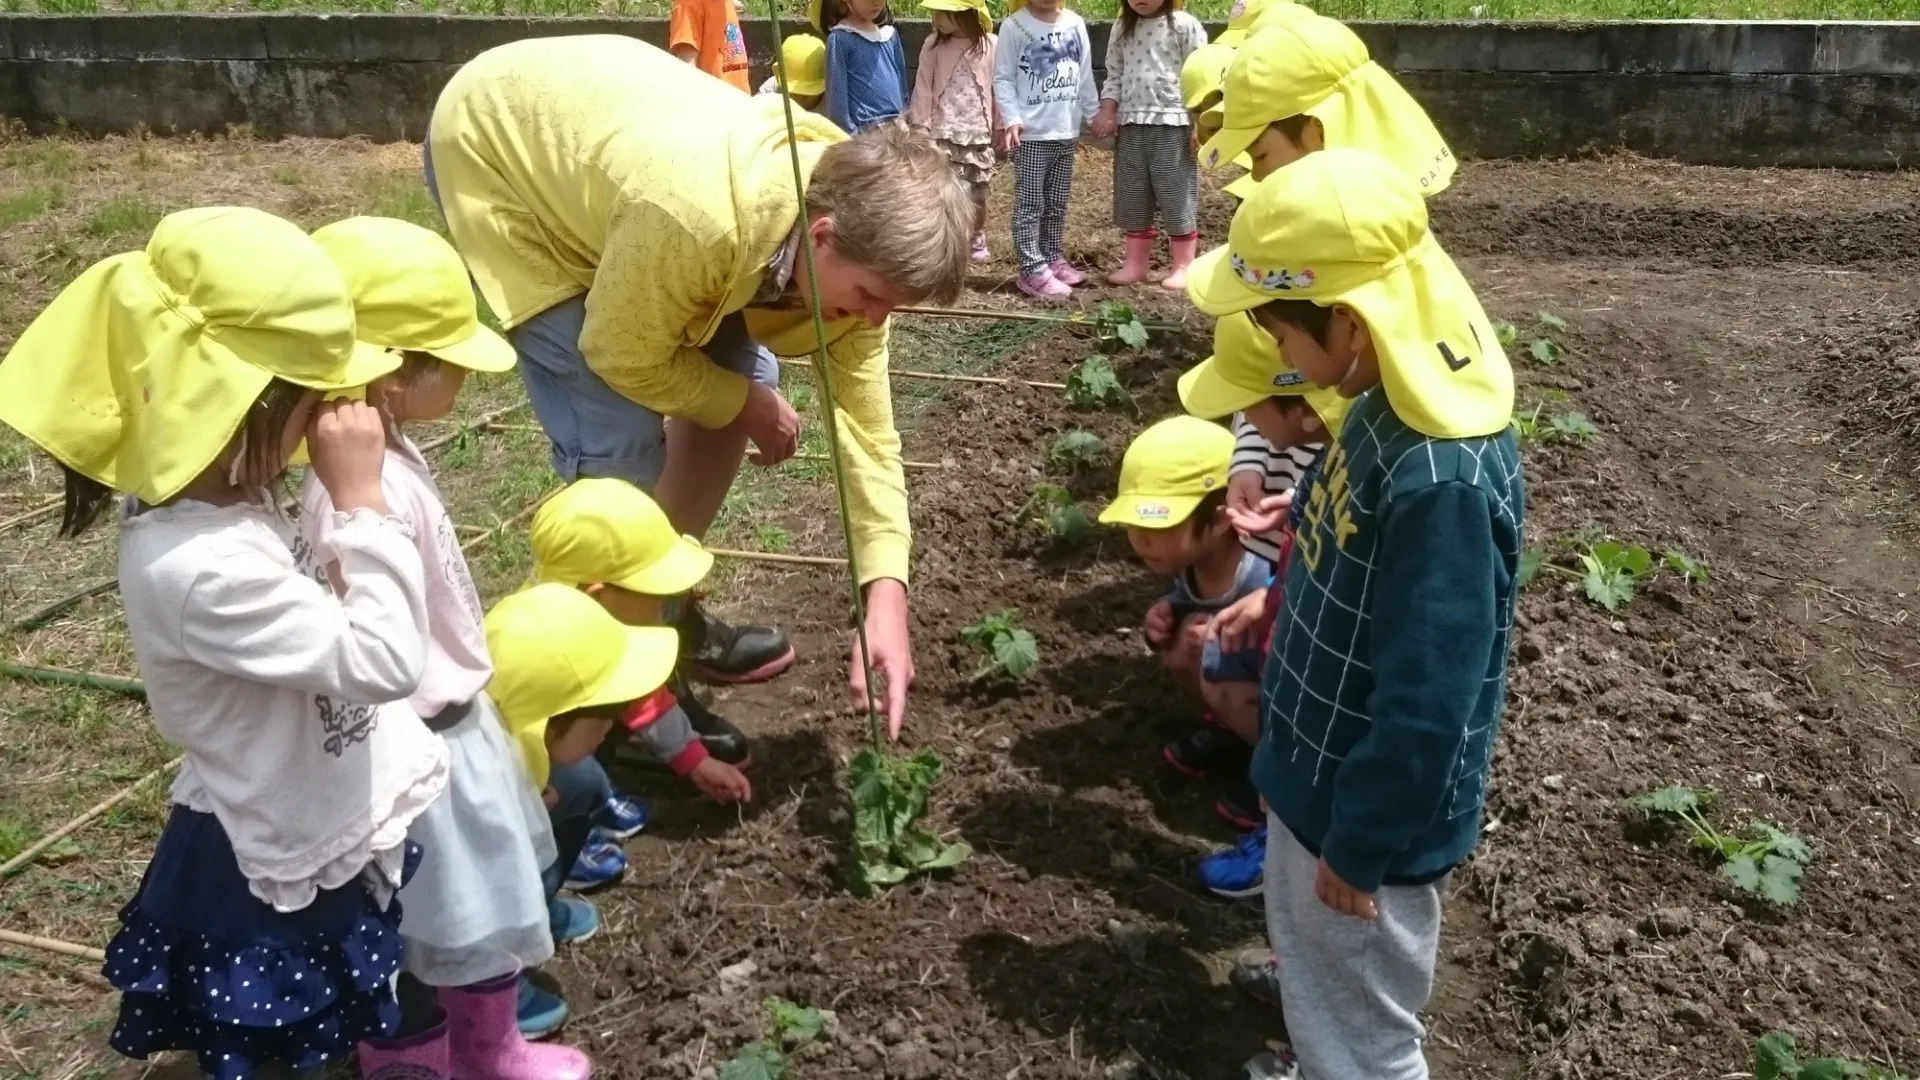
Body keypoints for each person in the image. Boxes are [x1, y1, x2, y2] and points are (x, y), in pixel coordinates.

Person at [0, 207, 449, 1079]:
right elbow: (387, 661)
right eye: (316, 395)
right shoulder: (199, 565)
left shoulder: (226, 499)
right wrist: (360, 502)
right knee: (284, 1040)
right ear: (244, 401)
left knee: (323, 1024)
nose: (334, 415)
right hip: (264, 860)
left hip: (304, 794)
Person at [428, 35, 976, 740]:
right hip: (504, 150)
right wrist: (746, 405)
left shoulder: (856, 241)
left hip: (625, 169)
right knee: (618, 439)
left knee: (744, 377)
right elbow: (620, 352)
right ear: (823, 234)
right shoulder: (698, 218)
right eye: (871, 296)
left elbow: (868, 435)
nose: (874, 320)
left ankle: (657, 612)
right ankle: (599, 694)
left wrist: (886, 598)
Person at [1188, 148, 1522, 1080]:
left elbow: (1429, 700)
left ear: (1349, 321)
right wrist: (1276, 600)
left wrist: (1363, 843)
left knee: (1369, 1041)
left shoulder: (1442, 482)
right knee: (1322, 965)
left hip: (1362, 817)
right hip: (1316, 776)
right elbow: (1339, 544)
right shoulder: (1380, 396)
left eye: (1276, 331)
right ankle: (1312, 1015)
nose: (1279, 358)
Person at [292, 216, 589, 1069]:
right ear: (389, 371)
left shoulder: (387, 455)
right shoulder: (355, 493)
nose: (462, 369)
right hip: (420, 735)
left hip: (449, 717)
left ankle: (456, 1047)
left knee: (456, 904)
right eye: (448, 353)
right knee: (446, 912)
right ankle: (454, 1054)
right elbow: (364, 639)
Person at [523, 479, 756, 929]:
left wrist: (693, 760)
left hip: (565, 748)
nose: (661, 608)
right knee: (571, 775)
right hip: (529, 772)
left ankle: (588, 796)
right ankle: (557, 845)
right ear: (597, 594)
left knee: (592, 747)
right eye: (654, 597)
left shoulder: (601, 623)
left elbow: (643, 697)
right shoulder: (544, 655)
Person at [1097, 416, 1272, 816]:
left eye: (1155, 525)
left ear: (1219, 520)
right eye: (1133, 524)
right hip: (1235, 675)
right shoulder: (1195, 564)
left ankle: (1274, 771)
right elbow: (1191, 600)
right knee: (1180, 648)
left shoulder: (1260, 569)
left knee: (1218, 675)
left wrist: (1223, 637)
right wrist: (1170, 612)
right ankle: (1232, 734)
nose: (1139, 539)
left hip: (1279, 693)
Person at [1198, 13, 1455, 191]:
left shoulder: (1346, 232)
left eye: (1261, 155)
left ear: (1318, 129)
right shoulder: (1383, 199)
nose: (1255, 175)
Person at [1089, 0, 1206, 290]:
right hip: (1131, 124)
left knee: (1175, 193)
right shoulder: (1122, 27)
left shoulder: (1183, 25)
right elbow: (1113, 73)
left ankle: (1183, 265)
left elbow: (1202, 76)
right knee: (1133, 194)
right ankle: (1135, 264)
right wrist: (1108, 109)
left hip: (1173, 123)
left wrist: (1201, 121)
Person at [992, 0, 1098, 300]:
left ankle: (1052, 256)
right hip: (1032, 134)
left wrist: (1094, 114)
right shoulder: (1015, 27)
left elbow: (1084, 74)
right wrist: (1011, 118)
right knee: (1030, 204)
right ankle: (1031, 269)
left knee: (1056, 202)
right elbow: (1003, 78)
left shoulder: (1075, 24)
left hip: (1065, 129)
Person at [910, 0, 999, 263]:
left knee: (978, 192)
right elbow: (923, 88)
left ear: (964, 13)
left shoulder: (991, 45)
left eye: (942, 12)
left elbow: (1000, 85)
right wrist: (920, 126)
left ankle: (976, 234)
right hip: (944, 132)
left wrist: (1002, 124)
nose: (936, 17)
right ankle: (947, 238)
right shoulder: (933, 45)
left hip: (978, 133)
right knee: (945, 190)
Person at [811, 0, 909, 133]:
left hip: (898, 130)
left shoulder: (890, 36)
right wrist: (852, 136)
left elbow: (902, 86)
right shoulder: (841, 39)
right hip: (865, 136)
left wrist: (903, 118)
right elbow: (837, 103)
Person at [670, 0, 752, 92]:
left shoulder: (725, 3)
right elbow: (688, 71)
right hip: (715, 101)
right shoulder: (688, 5)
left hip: (741, 100)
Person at [758, 32, 828, 110]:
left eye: (807, 96)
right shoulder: (773, 89)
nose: (800, 100)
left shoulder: (832, 102)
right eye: (794, 93)